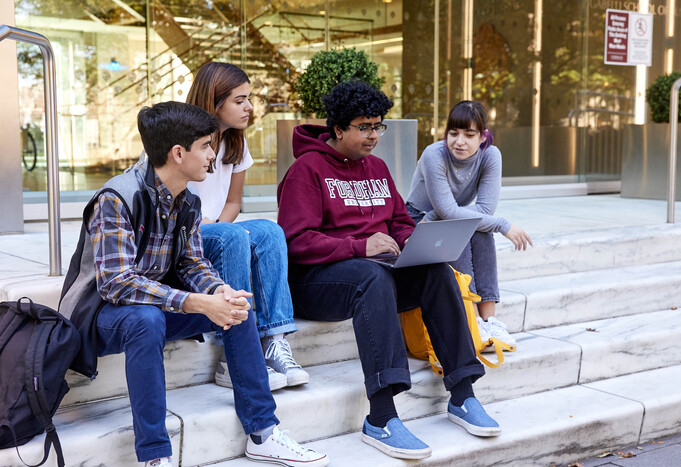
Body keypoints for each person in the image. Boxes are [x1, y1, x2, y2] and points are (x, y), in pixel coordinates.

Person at [59, 101, 328, 467]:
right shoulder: (116, 198)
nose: (212, 156)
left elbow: (191, 262)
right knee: (145, 320)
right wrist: (196, 303)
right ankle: (155, 456)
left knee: (236, 308)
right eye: (206, 146)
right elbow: (116, 285)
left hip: (154, 305)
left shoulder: (187, 199)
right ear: (177, 152)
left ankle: (263, 433)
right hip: (100, 317)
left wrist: (218, 292)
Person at [277, 81, 501, 460]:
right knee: (373, 276)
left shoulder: (377, 168)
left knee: (437, 272)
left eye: (378, 126)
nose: (374, 136)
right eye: (364, 127)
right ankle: (381, 416)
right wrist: (358, 246)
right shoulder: (307, 170)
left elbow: (398, 221)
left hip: (372, 273)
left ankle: (463, 394)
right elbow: (295, 242)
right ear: (338, 129)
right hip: (317, 281)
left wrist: (419, 242)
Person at [185, 61, 308, 391]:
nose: (250, 107)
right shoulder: (182, 139)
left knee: (269, 230)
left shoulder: (235, 142)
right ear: (214, 101)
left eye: (249, 98)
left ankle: (274, 341)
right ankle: (235, 356)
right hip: (183, 235)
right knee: (233, 234)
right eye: (239, 100)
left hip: (217, 230)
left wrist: (221, 227)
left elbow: (233, 204)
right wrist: (207, 227)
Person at [405, 100, 532, 349]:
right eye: (453, 133)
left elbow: (484, 210)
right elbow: (446, 211)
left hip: (448, 218)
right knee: (461, 230)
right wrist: (503, 225)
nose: (459, 141)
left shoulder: (490, 155)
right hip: (418, 219)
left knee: (479, 231)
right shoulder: (434, 155)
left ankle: (489, 320)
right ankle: (471, 318)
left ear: (482, 137)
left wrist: (482, 221)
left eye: (469, 134)